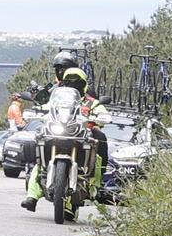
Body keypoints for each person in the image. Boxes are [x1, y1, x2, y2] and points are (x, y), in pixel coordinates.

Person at [22, 53, 111, 211]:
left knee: (100, 138)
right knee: (39, 151)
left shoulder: (91, 101)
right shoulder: (57, 97)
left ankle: (98, 184)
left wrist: (100, 117)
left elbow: (102, 110)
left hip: (82, 134)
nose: (73, 84)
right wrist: (37, 110)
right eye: (69, 81)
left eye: (77, 82)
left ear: (83, 84)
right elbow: (46, 107)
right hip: (58, 131)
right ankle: (32, 196)